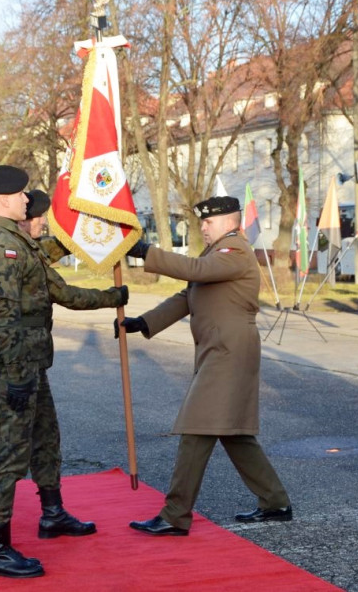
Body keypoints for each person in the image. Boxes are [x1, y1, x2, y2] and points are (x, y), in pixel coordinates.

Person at [0, 166, 129, 579]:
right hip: (10, 364)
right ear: (4, 200)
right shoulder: (0, 245)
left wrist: (107, 284)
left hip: (25, 360)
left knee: (42, 436)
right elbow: (3, 318)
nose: (27, 202)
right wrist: (17, 374)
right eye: (21, 196)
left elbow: (50, 284)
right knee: (6, 453)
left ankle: (43, 514)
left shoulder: (11, 239)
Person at [121, 195, 291, 535]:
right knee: (233, 433)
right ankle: (275, 502)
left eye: (208, 222)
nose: (203, 227)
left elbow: (193, 272)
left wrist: (145, 251)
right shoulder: (217, 253)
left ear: (229, 222)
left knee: (196, 426)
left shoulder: (235, 251)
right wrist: (146, 321)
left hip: (229, 352)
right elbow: (189, 295)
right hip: (221, 350)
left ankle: (175, 515)